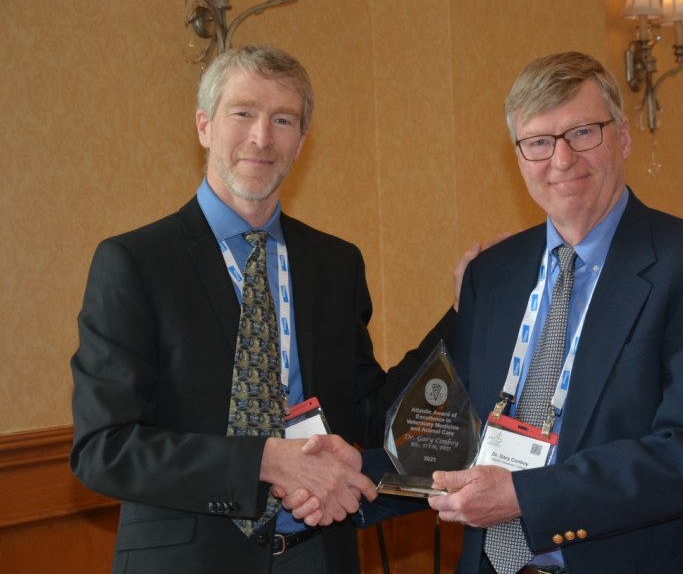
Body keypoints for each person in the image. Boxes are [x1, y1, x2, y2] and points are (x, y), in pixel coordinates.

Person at [70, 45, 455, 574]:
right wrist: (265, 460)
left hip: (318, 555)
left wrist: (465, 310)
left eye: (283, 119)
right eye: (243, 113)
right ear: (204, 125)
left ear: (301, 142)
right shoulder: (135, 263)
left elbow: (367, 413)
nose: (262, 137)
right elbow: (104, 449)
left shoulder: (336, 263)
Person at [427, 52, 683, 573]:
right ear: (518, 156)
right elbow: (455, 428)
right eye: (538, 142)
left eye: (582, 133)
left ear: (622, 136)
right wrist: (357, 474)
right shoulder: (492, 274)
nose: (561, 160)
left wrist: (527, 497)